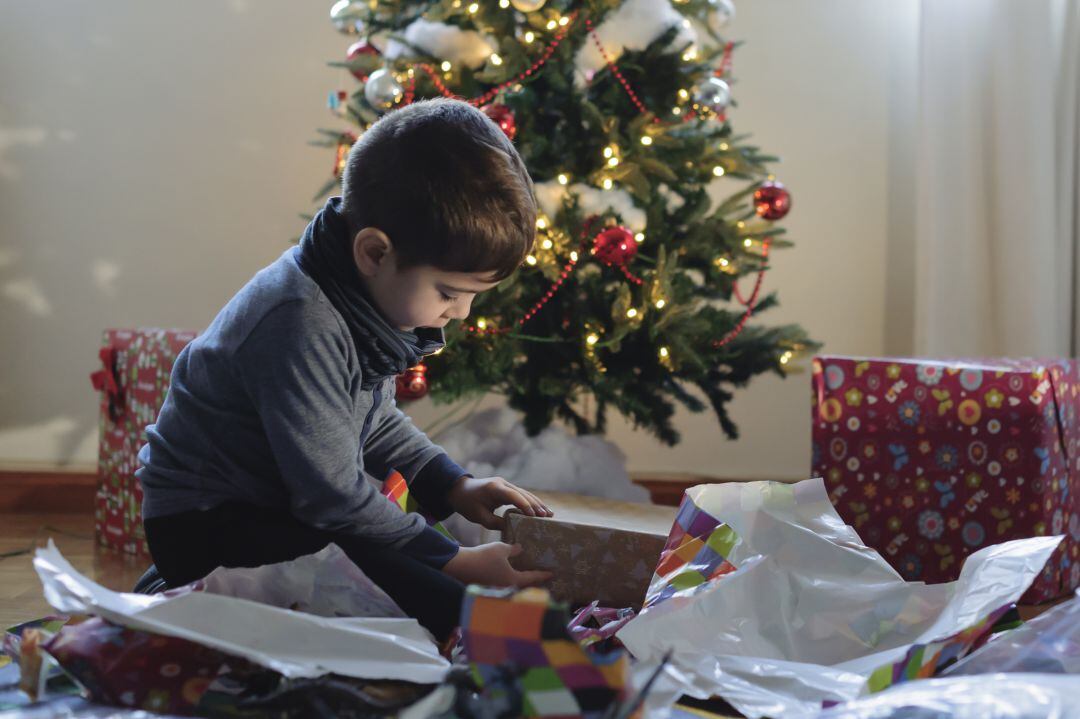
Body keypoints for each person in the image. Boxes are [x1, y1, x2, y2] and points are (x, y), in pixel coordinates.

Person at [136, 98, 552, 642]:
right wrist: (455, 562)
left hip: (273, 500)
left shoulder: (356, 297)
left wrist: (455, 485)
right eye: (450, 293)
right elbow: (332, 497)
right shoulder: (300, 322)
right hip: (208, 521)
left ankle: (467, 616)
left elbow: (372, 420)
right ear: (375, 253)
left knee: (395, 532)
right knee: (379, 544)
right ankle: (478, 632)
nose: (461, 313)